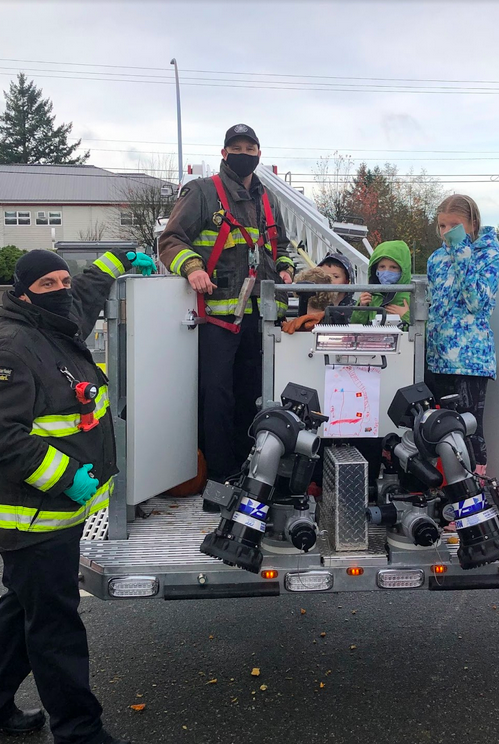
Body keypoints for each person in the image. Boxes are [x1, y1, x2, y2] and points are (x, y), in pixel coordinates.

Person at [0, 247, 155, 743]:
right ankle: (80, 732)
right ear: (23, 293)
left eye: (63, 281)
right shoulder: (12, 346)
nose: (61, 290)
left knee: (25, 610)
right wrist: (67, 477)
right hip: (30, 517)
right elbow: (5, 436)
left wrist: (121, 261)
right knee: (55, 628)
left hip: (56, 515)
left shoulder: (57, 326)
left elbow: (85, 293)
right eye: (48, 284)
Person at [159, 124, 294, 486]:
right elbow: (170, 239)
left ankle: (253, 469)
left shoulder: (268, 199)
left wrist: (285, 267)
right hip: (217, 319)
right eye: (236, 147)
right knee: (217, 397)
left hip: (261, 318)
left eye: (250, 147)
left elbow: (281, 245)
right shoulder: (202, 192)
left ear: (259, 154)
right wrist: (192, 266)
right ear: (223, 153)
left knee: (256, 396)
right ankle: (220, 474)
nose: (244, 153)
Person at [425, 194, 499, 478]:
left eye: (455, 226)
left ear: (472, 223)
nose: (447, 232)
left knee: (469, 430)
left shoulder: (489, 255)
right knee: (437, 427)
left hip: (471, 359)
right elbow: (433, 304)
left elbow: (477, 302)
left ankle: (473, 501)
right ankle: (446, 495)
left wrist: (461, 250)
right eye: (442, 226)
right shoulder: (436, 258)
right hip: (438, 356)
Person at [351, 240, 412, 324]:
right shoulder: (369, 296)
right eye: (382, 267)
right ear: (375, 269)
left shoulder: (413, 297)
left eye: (393, 267)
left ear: (403, 270)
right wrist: (362, 308)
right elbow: (355, 327)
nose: (386, 272)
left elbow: (424, 329)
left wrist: (407, 315)